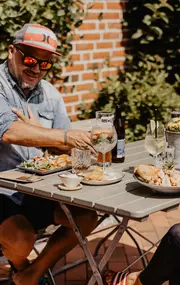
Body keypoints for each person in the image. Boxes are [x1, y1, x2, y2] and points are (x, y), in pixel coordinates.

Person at [0, 23, 98, 285]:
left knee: (87, 216)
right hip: (2, 190)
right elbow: (8, 132)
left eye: (45, 64)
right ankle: (21, 265)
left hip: (40, 188)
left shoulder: (50, 95)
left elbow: (64, 148)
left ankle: (33, 274)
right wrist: (61, 136)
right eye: (30, 59)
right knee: (20, 237)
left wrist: (44, 133)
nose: (36, 69)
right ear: (12, 51)